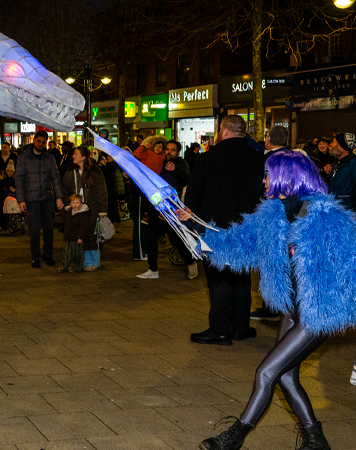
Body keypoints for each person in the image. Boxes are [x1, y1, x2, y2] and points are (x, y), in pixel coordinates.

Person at [196, 150, 351, 450]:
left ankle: (235, 437)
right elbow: (238, 243)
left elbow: (350, 265)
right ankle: (316, 440)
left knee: (266, 372)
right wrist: (197, 233)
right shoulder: (273, 214)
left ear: (287, 179)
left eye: (268, 175)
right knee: (286, 377)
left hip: (316, 314)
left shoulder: (327, 218)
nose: (264, 181)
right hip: (293, 310)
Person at [184, 115, 265, 346]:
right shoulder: (257, 158)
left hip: (215, 228)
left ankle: (219, 329)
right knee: (241, 276)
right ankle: (241, 327)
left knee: (218, 278)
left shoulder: (209, 157)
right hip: (246, 227)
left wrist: (192, 222)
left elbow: (194, 193)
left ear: (225, 130)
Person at [137, 140, 196, 280]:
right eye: (167, 149)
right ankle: (152, 269)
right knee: (151, 238)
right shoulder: (160, 162)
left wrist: (175, 169)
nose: (169, 152)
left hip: (172, 210)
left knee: (176, 239)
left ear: (178, 152)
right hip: (156, 208)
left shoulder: (181, 164)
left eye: (173, 150)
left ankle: (191, 262)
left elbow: (188, 179)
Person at [16, 130, 65, 268]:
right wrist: (21, 200)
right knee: (34, 229)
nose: (41, 144)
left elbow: (55, 178)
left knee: (49, 229)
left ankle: (48, 255)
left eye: (43, 142)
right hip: (31, 199)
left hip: (47, 198)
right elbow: (19, 179)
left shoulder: (49, 158)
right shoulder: (24, 158)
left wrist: (59, 197)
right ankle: (35, 257)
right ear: (34, 140)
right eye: (39, 141)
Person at [61, 146, 107, 271]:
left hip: (92, 209)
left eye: (75, 154)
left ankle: (92, 262)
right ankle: (79, 261)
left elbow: (101, 191)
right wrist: (67, 205)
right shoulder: (70, 172)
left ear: (83, 157)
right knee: (78, 235)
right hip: (76, 210)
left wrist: (102, 211)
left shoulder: (95, 171)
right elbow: (64, 189)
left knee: (92, 235)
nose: (73, 156)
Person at [57, 194, 93, 273]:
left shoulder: (83, 215)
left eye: (77, 203)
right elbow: (64, 217)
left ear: (81, 204)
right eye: (73, 203)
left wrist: (80, 237)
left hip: (77, 239)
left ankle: (77, 267)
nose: (75, 205)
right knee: (67, 253)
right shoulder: (69, 212)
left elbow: (83, 227)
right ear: (70, 204)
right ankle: (64, 266)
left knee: (77, 253)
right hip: (69, 237)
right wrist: (61, 209)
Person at [327, 132, 356, 211]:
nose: (331, 145)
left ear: (341, 146)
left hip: (349, 213)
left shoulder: (352, 163)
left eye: (333, 142)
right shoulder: (338, 163)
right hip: (337, 211)